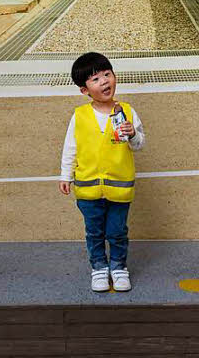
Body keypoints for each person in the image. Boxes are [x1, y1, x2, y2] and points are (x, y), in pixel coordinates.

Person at [60, 52, 146, 293]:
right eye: (95, 79)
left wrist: (132, 134)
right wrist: (65, 175)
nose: (104, 81)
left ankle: (119, 267)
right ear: (84, 90)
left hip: (120, 187)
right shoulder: (79, 116)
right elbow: (71, 148)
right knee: (94, 232)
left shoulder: (127, 111)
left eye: (107, 74)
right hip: (87, 188)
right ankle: (99, 268)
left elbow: (139, 145)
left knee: (117, 231)